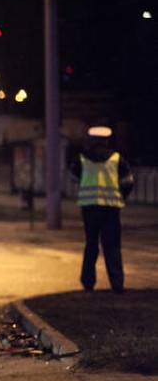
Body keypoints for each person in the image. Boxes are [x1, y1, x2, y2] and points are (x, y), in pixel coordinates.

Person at [68, 125, 134, 294]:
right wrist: (120, 196)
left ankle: (88, 283)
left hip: (89, 208)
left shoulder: (81, 158)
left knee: (91, 244)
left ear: (91, 140)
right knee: (112, 246)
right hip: (111, 208)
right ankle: (117, 284)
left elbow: (73, 178)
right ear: (107, 140)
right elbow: (128, 183)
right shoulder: (117, 159)